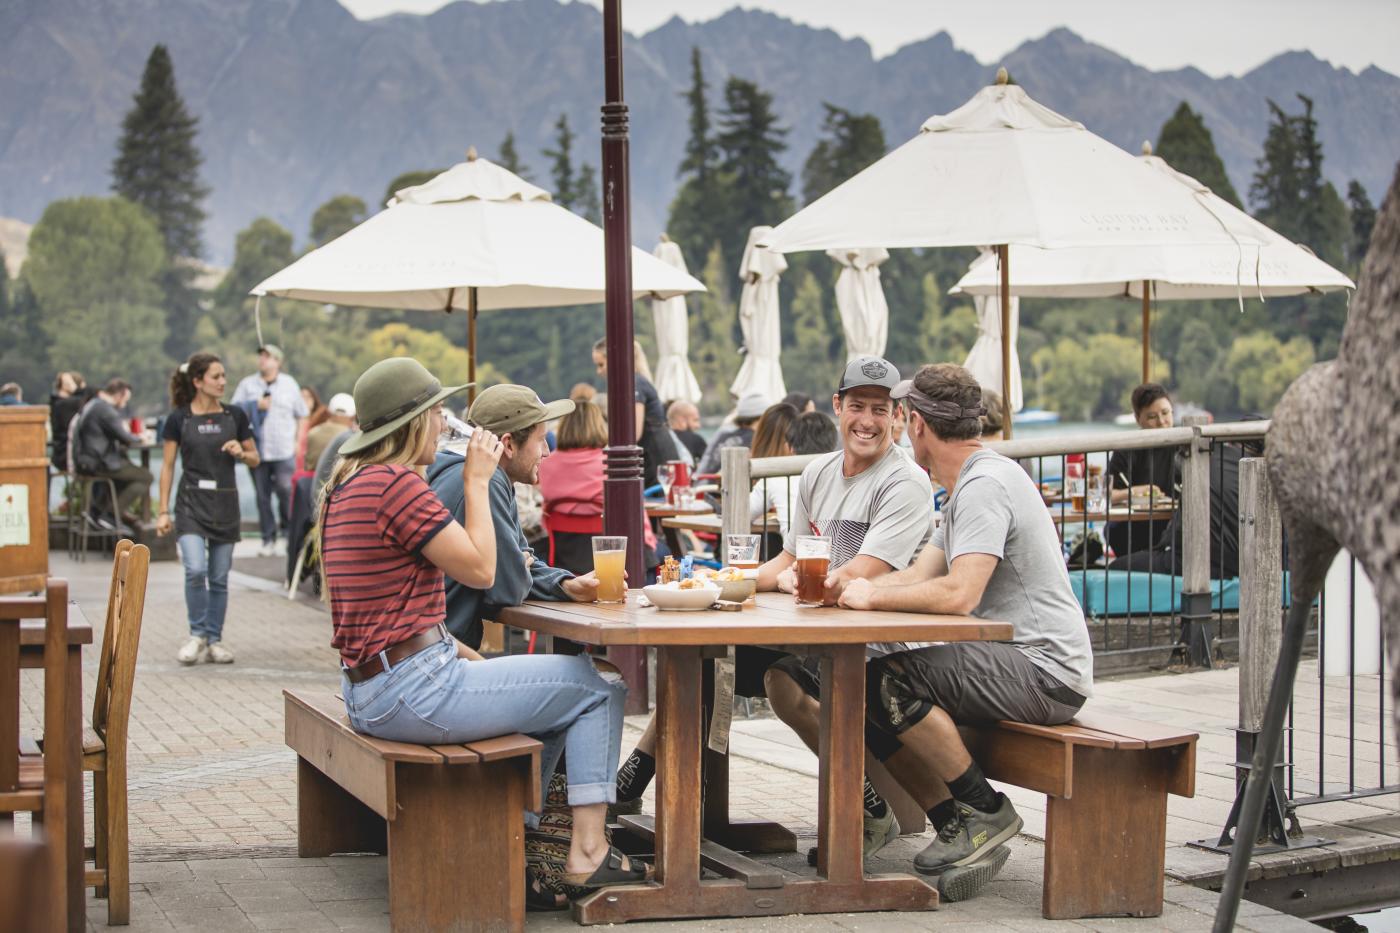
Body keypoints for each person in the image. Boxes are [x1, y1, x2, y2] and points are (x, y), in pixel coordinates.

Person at [315, 357, 646, 900]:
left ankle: (522, 843)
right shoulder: (397, 486)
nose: (445, 423)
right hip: (412, 691)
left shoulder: (349, 486)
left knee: (551, 688)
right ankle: (586, 853)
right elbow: (484, 571)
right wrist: (477, 479)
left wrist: (481, 662)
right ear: (412, 422)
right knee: (597, 687)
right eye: (437, 411)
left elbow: (406, 616)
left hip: (374, 688)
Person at [614, 357, 935, 846]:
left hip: (877, 647)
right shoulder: (817, 473)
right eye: (856, 406)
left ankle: (870, 806)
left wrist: (792, 583)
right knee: (700, 659)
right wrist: (720, 583)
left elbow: (858, 577)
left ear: (896, 415)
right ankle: (641, 785)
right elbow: (785, 561)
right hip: (817, 634)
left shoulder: (904, 483)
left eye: (879, 409)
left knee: (781, 681)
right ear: (837, 407)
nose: (866, 421)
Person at [836, 363, 1092, 892]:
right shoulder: (968, 485)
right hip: (1022, 665)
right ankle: (958, 823)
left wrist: (874, 597)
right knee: (866, 679)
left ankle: (983, 811)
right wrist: (852, 593)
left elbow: (959, 594)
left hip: (1046, 671)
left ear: (918, 425)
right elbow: (918, 575)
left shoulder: (984, 487)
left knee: (891, 682)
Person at [426, 384, 605, 650]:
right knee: (597, 681)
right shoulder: (487, 481)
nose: (546, 451)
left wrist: (566, 585)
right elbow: (508, 589)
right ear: (508, 444)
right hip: (443, 659)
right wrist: (517, 565)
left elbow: (520, 560)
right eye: (540, 439)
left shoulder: (463, 470)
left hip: (438, 649)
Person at [156, 354, 261, 665]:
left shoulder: (236, 415)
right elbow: (167, 466)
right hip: (190, 505)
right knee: (195, 570)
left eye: (224, 375)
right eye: (216, 376)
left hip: (225, 505)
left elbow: (256, 458)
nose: (223, 381)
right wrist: (163, 511)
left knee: (218, 577)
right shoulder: (178, 419)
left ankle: (215, 639)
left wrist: (242, 452)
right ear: (198, 381)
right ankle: (197, 634)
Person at [538, 401, 660, 576]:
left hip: (563, 558)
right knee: (666, 552)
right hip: (615, 560)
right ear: (600, 425)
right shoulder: (614, 462)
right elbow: (639, 522)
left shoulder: (546, 464)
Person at [231, 344, 308, 556]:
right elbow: (233, 410)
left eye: (268, 357)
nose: (263, 360)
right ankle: (268, 538)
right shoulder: (248, 384)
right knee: (262, 496)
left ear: (278, 361)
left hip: (283, 449)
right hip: (257, 450)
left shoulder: (289, 384)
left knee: (285, 490)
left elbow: (302, 413)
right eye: (261, 356)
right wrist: (255, 405)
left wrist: (297, 442)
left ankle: (287, 533)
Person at [1104, 383, 1181, 559]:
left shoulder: (1184, 445)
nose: (1161, 422)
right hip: (1134, 529)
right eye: (1152, 416)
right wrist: (1134, 492)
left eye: (1165, 413)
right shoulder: (1128, 447)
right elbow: (1105, 494)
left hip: (1174, 526)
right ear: (1138, 419)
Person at [591, 338, 678, 486]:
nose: (599, 371)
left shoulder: (634, 384)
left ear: (614, 360)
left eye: (601, 365)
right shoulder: (635, 382)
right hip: (655, 456)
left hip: (655, 459)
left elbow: (634, 432)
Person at [71, 378, 151, 531]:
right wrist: (142, 437)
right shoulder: (105, 410)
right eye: (125, 400)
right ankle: (111, 515)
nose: (124, 405)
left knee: (125, 476)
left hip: (86, 461)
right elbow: (126, 438)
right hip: (98, 463)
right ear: (119, 395)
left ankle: (98, 511)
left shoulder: (94, 404)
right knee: (145, 476)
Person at [749, 410, 838, 536]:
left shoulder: (775, 479)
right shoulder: (845, 475)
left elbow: (742, 513)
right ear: (833, 443)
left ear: (790, 447)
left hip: (796, 553)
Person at [696, 392, 768, 475]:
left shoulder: (722, 433)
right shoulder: (753, 438)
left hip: (700, 484)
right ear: (763, 418)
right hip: (720, 486)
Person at [304, 392, 354, 476]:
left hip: (310, 481)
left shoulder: (313, 432)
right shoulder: (351, 437)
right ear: (352, 416)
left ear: (329, 412)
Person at [49, 371, 88, 473]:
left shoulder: (56, 402)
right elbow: (88, 397)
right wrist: (75, 388)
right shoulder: (66, 404)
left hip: (62, 455)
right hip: (69, 455)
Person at [295, 385, 328, 471]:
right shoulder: (291, 423)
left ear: (314, 400)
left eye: (308, 397)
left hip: (314, 466)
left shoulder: (322, 421)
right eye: (301, 397)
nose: (304, 400)